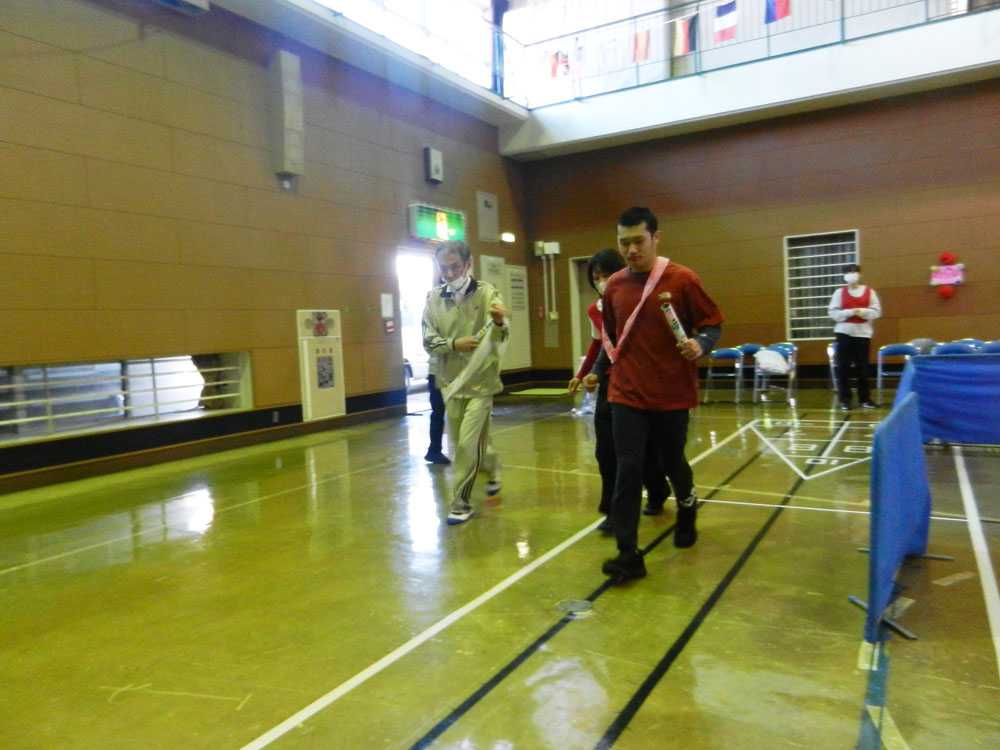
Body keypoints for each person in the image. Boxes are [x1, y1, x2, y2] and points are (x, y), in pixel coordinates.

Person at [600, 207, 723, 582]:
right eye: (624, 243)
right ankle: (628, 553)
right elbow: (611, 336)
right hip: (626, 393)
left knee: (672, 461)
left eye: (639, 241)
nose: (631, 250)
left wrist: (700, 344)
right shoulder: (615, 285)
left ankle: (687, 507)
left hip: (671, 393)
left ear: (656, 237)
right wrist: (595, 373)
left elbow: (713, 324)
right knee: (628, 468)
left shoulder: (683, 280)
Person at [569, 249, 670, 534]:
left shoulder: (637, 301)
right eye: (596, 277)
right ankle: (613, 509)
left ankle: (657, 489)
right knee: (605, 450)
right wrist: (582, 374)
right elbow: (597, 345)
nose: (601, 281)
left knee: (641, 449)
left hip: (638, 383)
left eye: (606, 274)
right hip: (609, 385)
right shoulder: (594, 310)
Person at [422, 241, 509, 525]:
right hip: (450, 384)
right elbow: (428, 340)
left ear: (468, 264)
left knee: (466, 444)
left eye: (455, 267)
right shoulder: (433, 298)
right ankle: (493, 470)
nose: (449, 273)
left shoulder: (486, 293)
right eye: (443, 268)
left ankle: (460, 503)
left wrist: (499, 323)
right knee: (470, 442)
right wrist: (453, 344)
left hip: (481, 383)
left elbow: (500, 335)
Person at [827, 263, 881, 411]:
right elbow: (833, 313)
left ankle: (865, 399)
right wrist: (850, 312)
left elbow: (877, 312)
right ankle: (845, 400)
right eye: (848, 272)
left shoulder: (869, 292)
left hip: (863, 334)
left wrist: (862, 312)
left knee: (863, 367)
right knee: (843, 367)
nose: (851, 274)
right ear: (844, 276)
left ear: (859, 274)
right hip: (844, 333)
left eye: (854, 271)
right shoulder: (839, 293)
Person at [424, 352, 450, 464]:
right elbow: (431, 345)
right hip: (438, 373)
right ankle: (434, 451)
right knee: (438, 412)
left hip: (449, 372)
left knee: (438, 413)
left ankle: (434, 450)